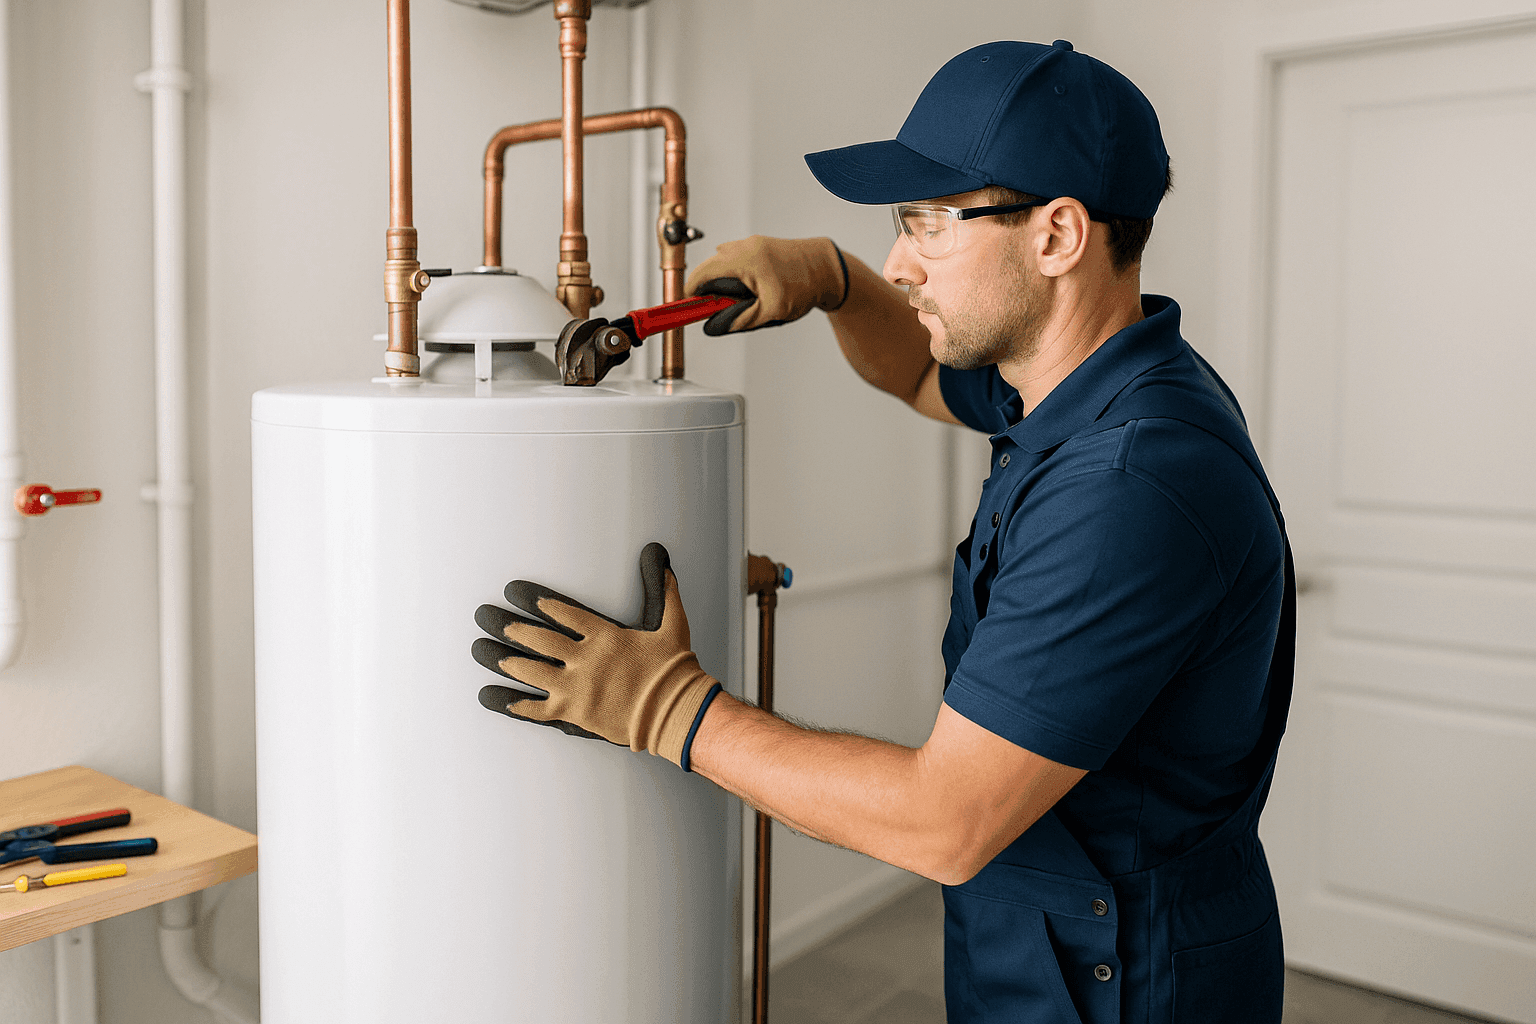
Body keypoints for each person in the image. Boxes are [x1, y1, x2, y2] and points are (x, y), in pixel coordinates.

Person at [471, 39, 1295, 1024]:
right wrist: (835, 282)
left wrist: (668, 708)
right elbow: (917, 374)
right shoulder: (1088, 381)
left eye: (927, 224)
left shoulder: (1132, 483)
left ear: (1058, 234)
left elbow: (943, 820)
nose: (902, 261)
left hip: (1121, 973)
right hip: (1046, 926)